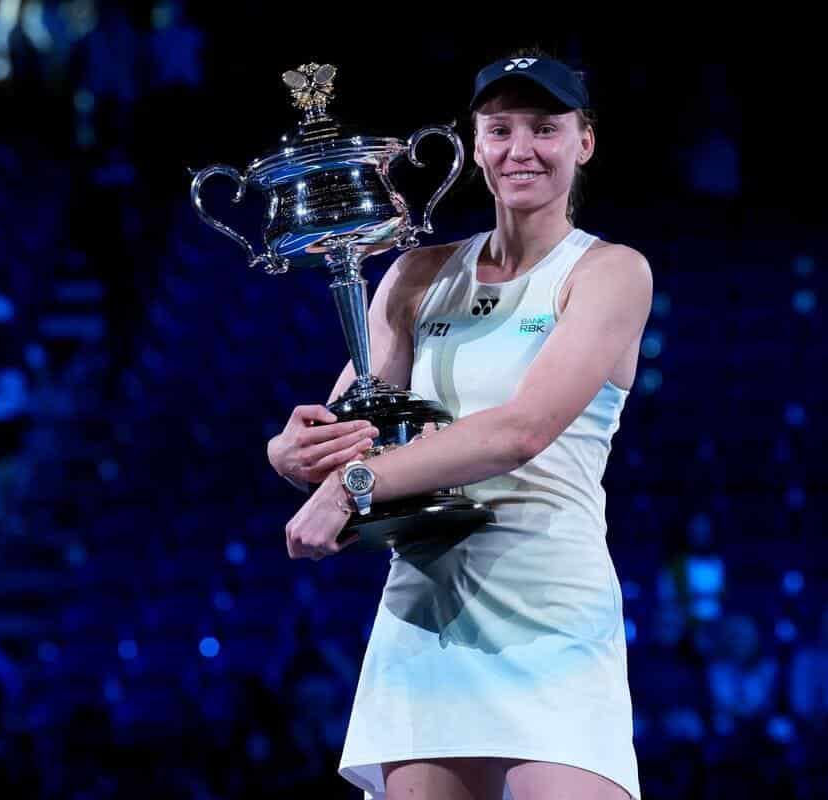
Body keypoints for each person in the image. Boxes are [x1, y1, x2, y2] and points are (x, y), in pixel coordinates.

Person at [268, 50, 652, 800]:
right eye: (500, 129)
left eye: (545, 128)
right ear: (475, 146)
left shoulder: (610, 272)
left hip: (551, 610)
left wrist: (352, 485)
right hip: (426, 612)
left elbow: (521, 431)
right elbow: (351, 429)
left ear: (584, 142)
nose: (521, 149)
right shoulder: (416, 275)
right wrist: (293, 451)